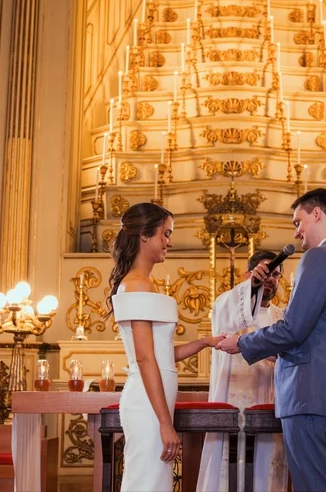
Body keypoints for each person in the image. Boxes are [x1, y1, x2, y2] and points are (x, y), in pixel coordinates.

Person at [217, 188, 326, 492]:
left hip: (309, 393)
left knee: (315, 487)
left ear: (317, 213)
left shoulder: (319, 257)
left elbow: (293, 329)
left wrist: (242, 344)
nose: (297, 232)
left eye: (299, 221)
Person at [104, 203, 223, 492]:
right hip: (147, 404)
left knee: (155, 480)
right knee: (146, 481)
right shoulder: (135, 286)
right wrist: (165, 423)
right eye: (165, 234)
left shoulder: (146, 283)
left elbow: (162, 355)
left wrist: (206, 342)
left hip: (154, 400)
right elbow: (145, 360)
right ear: (145, 235)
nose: (169, 241)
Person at [196, 250, 288, 492]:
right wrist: (251, 286)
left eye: (275, 274)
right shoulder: (231, 306)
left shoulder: (283, 317)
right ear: (249, 274)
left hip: (272, 404)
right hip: (234, 405)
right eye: (264, 272)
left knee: (267, 468)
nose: (270, 278)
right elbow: (229, 315)